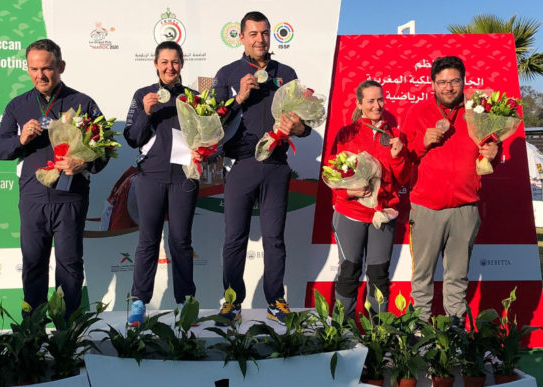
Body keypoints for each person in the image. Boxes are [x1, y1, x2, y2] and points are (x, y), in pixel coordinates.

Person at [0, 39, 109, 318]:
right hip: (33, 197)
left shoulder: (82, 103)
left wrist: (83, 160)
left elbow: (105, 149)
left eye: (47, 68)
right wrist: (20, 139)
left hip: (70, 196)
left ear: (61, 67)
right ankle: (32, 330)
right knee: (33, 264)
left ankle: (67, 331)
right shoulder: (17, 106)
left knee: (69, 264)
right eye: (33, 69)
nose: (40, 75)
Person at [212, 11, 311, 325]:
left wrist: (299, 129)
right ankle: (231, 301)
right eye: (253, 34)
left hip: (277, 165)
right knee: (234, 238)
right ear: (241, 37)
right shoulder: (228, 74)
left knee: (274, 238)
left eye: (264, 33)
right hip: (241, 165)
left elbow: (305, 124)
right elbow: (211, 122)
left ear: (271, 36)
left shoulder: (287, 72)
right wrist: (239, 96)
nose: (260, 39)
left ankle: (276, 300)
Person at [403, 56, 499, 323]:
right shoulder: (418, 113)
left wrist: (494, 152)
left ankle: (455, 339)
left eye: (454, 81)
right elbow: (401, 160)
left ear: (463, 82)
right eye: (442, 82)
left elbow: (489, 157)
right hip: (426, 209)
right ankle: (418, 335)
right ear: (432, 84)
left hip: (465, 210)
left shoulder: (478, 113)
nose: (448, 87)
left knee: (457, 278)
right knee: (422, 279)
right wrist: (422, 143)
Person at [123, 41, 201, 326]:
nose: (170, 67)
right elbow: (133, 138)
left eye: (175, 62)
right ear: (156, 64)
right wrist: (145, 112)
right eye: (164, 62)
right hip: (151, 178)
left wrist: (205, 150)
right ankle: (139, 303)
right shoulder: (143, 95)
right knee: (147, 241)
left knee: (181, 242)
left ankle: (185, 303)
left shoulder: (193, 98)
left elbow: (207, 137)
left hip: (184, 178)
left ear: (182, 64)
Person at [330, 80, 410, 318]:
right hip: (350, 212)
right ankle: (341, 331)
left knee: (378, 274)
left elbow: (404, 179)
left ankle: (379, 332)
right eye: (371, 101)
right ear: (359, 104)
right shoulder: (346, 134)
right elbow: (332, 174)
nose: (377, 105)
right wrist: (348, 192)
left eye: (381, 99)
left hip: (383, 214)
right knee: (349, 271)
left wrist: (397, 157)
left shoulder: (395, 135)